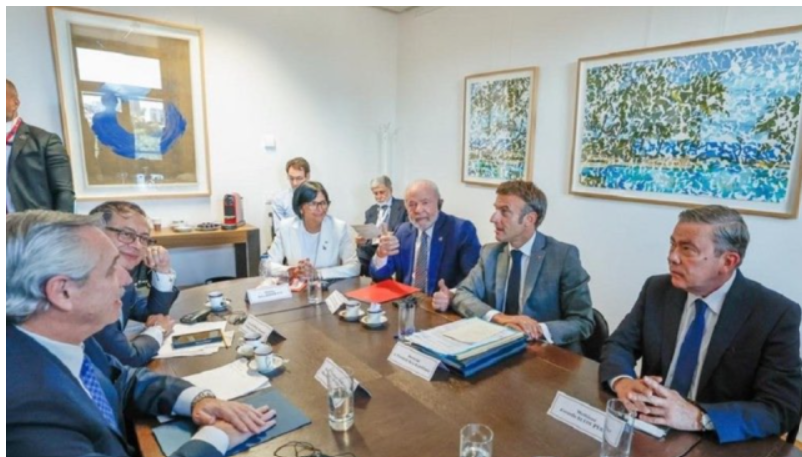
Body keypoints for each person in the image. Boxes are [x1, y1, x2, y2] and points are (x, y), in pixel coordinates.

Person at [7, 210, 276, 457]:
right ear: (62, 291)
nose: (126, 280)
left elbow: (120, 379)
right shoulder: (28, 413)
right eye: (112, 269)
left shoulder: (62, 337)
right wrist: (214, 438)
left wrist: (197, 399)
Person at [599, 205, 802, 443]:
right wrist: (624, 382)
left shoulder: (774, 313)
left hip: (716, 440)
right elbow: (618, 345)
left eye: (687, 249)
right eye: (673, 244)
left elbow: (781, 409)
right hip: (649, 431)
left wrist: (698, 416)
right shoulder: (657, 289)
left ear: (728, 261)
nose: (672, 256)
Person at [447, 180, 594, 353]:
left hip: (546, 356)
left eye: (504, 212)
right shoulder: (490, 253)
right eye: (496, 209)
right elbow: (462, 293)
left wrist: (536, 329)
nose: (493, 218)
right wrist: (500, 318)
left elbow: (583, 321)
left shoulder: (563, 257)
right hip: (497, 348)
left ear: (529, 219)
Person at [89, 201, 178, 367]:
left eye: (144, 238)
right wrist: (159, 330)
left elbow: (152, 314)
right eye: (126, 234)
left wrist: (163, 270)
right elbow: (128, 358)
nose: (137, 245)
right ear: (95, 234)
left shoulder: (122, 279)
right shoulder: (86, 286)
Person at [370, 179, 480, 295]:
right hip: (407, 303)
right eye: (412, 204)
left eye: (425, 203)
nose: (418, 210)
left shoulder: (461, 230)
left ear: (439, 203)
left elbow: (473, 281)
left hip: (442, 308)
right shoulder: (402, 231)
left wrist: (451, 295)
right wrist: (381, 255)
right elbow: (379, 276)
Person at [6, 79, 75, 213]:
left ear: (15, 103)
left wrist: (59, 230)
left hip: (31, 227)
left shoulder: (45, 140)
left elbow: (63, 192)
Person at [267, 181, 360, 279]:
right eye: (313, 204)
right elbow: (268, 265)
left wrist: (318, 274)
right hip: (297, 288)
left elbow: (354, 267)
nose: (320, 209)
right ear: (300, 208)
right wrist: (292, 271)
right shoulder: (286, 227)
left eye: (323, 203)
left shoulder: (338, 228)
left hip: (328, 289)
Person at [357, 175, 408, 275]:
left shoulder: (403, 206)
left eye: (382, 192)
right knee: (359, 250)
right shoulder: (370, 211)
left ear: (391, 190)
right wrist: (361, 240)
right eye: (375, 193)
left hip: (392, 246)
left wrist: (391, 234)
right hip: (373, 246)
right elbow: (367, 235)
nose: (378, 196)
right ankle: (367, 279)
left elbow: (408, 231)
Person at [270, 157, 310, 233]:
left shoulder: (317, 197)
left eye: (299, 178)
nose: (294, 183)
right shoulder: (279, 199)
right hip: (290, 241)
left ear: (307, 177)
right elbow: (279, 231)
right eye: (291, 178)